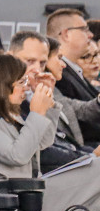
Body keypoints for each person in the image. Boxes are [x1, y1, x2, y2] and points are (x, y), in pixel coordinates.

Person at [0, 49, 100, 211]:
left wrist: (47, 105)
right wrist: (37, 113)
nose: (26, 87)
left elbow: (43, 143)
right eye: (21, 82)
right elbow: (18, 155)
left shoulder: (6, 112)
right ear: (1, 84)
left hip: (37, 190)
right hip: (22, 204)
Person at [10, 31, 100, 163]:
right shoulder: (9, 98)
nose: (37, 69)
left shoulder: (48, 90)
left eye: (41, 63)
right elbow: (40, 152)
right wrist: (90, 157)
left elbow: (49, 141)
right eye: (30, 61)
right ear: (10, 58)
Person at [48, 8, 98, 101]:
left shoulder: (73, 71)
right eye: (84, 30)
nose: (90, 35)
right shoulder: (59, 77)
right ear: (66, 34)